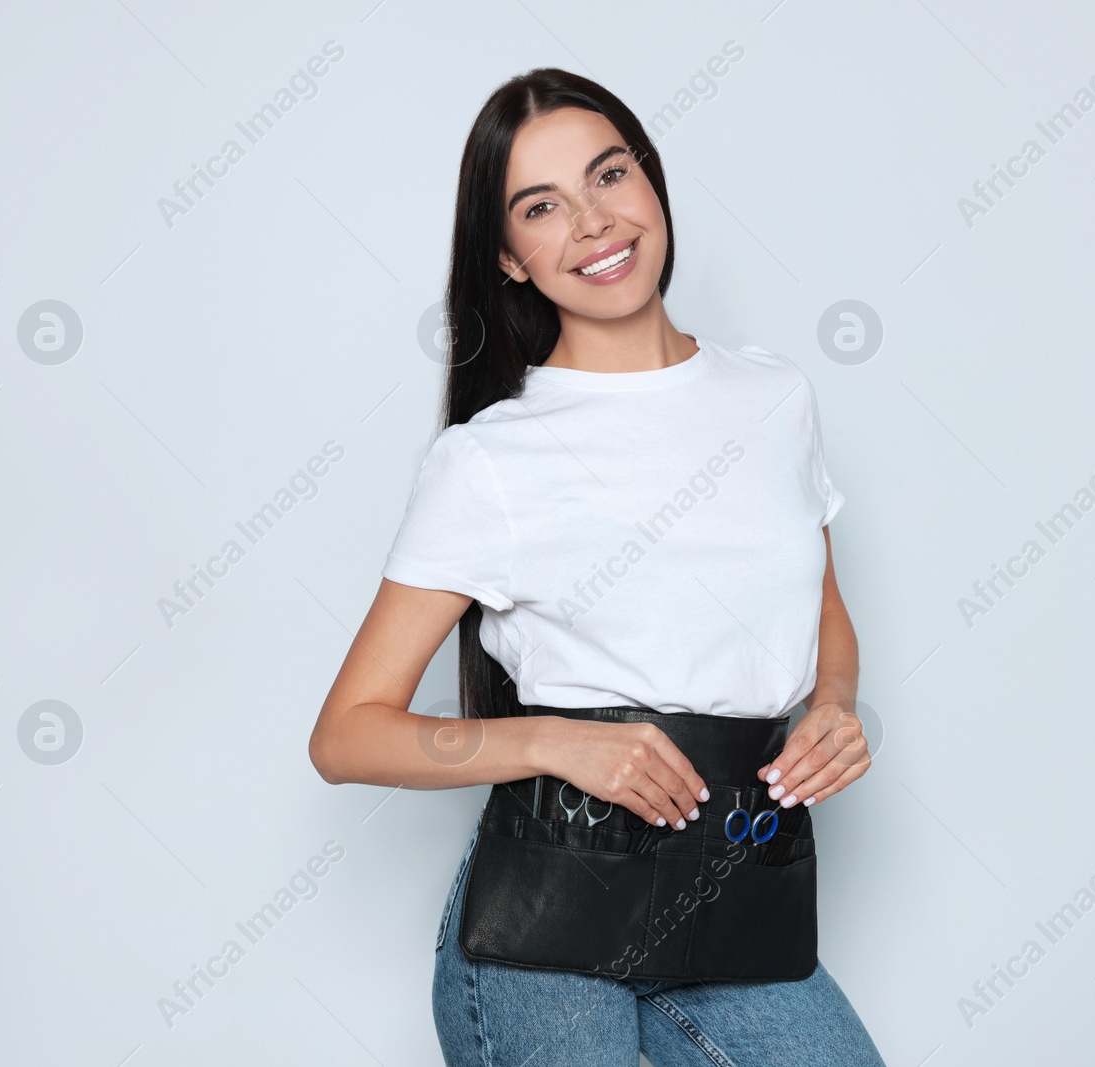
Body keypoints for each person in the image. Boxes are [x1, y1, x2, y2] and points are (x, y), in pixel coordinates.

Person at [308, 67, 885, 1066]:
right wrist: (560, 743)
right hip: (545, 930)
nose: (591, 222)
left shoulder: (773, 396)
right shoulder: (493, 458)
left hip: (742, 887)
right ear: (509, 259)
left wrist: (833, 701)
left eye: (608, 175)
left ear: (651, 184)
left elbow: (819, 602)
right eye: (542, 207)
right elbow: (346, 734)